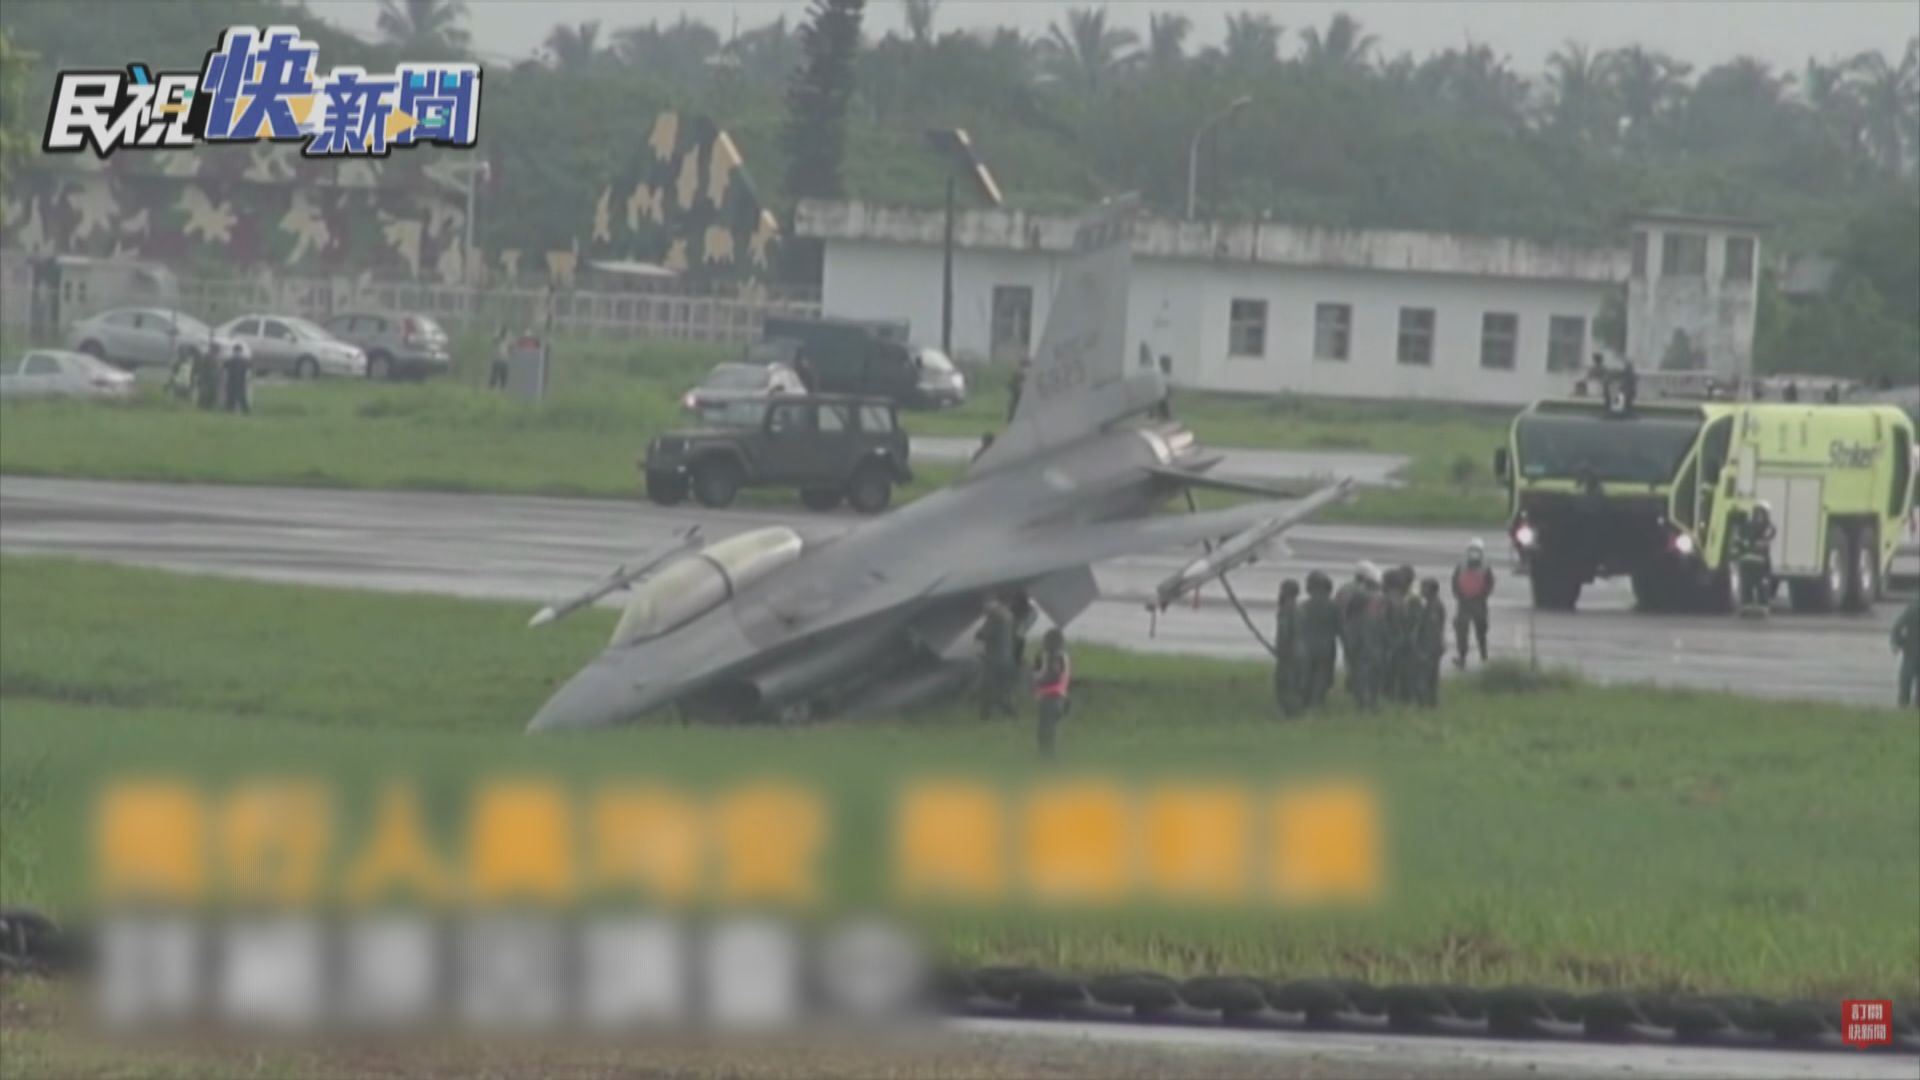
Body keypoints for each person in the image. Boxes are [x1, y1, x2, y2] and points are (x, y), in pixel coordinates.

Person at [1450, 539, 1496, 668]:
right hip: (1464, 603)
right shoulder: (1461, 565)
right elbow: (1455, 581)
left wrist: (1482, 596)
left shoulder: (1485, 566)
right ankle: (1462, 657)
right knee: (1461, 631)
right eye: (1472, 550)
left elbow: (1490, 584)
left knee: (1481, 630)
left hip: (1479, 603)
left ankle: (1484, 655)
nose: (1474, 553)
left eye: (1476, 551)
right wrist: (1459, 595)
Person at [1300, 571, 1340, 710]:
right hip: (1327, 647)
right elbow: (1340, 628)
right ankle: (1317, 703)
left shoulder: (1303, 607)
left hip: (1307, 648)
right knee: (1323, 677)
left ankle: (1307, 703)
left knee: (1307, 676)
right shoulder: (1334, 606)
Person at [975, 595, 1017, 720]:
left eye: (984, 607)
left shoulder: (994, 617)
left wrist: (979, 632)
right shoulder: (1008, 615)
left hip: (994, 659)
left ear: (989, 605)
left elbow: (984, 634)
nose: (983, 610)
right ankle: (1010, 712)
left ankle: (985, 716)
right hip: (1007, 657)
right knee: (1003, 689)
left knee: (987, 688)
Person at [1032, 628, 1072, 759]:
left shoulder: (1055, 656)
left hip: (1051, 699)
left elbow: (1053, 676)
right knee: (1048, 732)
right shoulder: (1061, 655)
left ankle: (1049, 761)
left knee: (1046, 733)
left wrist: (1036, 680)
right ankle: (1047, 759)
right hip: (1059, 698)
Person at [1731, 502, 1776, 610]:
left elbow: (1768, 536)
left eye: (1761, 514)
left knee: (1761, 584)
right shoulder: (1746, 527)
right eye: (1757, 513)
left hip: (1759, 562)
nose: (1759, 516)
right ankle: (1748, 604)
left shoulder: (1767, 528)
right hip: (1749, 562)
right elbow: (1738, 542)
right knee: (1748, 585)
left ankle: (1761, 604)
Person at [1272, 579, 1303, 718]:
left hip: (1288, 653)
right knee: (1295, 683)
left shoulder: (1286, 609)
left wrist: (1280, 649)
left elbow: (1284, 632)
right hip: (1299, 652)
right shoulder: (1298, 608)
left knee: (1284, 684)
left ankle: (1289, 713)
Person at [1415, 578, 1447, 707]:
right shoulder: (1431, 604)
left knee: (1425, 678)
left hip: (1429, 649)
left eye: (1423, 587)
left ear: (1431, 590)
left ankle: (1425, 704)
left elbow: (1432, 632)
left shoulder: (1433, 607)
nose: (1421, 590)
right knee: (1431, 678)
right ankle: (1431, 703)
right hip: (1433, 647)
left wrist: (1425, 652)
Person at [1893, 597, 1920, 708]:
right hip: (1912, 650)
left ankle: (1903, 705)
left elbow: (1897, 627)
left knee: (1906, 681)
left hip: (1910, 650)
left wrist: (1899, 643)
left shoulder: (1912, 609)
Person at [1008, 589, 1037, 672]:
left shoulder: (1029, 611)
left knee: (1015, 661)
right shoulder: (1030, 611)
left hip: (1015, 638)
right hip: (1016, 638)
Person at [222, 339, 252, 414]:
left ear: (234, 351)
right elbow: (248, 372)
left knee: (231, 397)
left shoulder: (230, 360)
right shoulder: (245, 361)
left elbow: (224, 370)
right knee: (241, 397)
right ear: (241, 351)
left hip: (231, 381)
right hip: (241, 381)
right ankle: (245, 411)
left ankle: (229, 410)